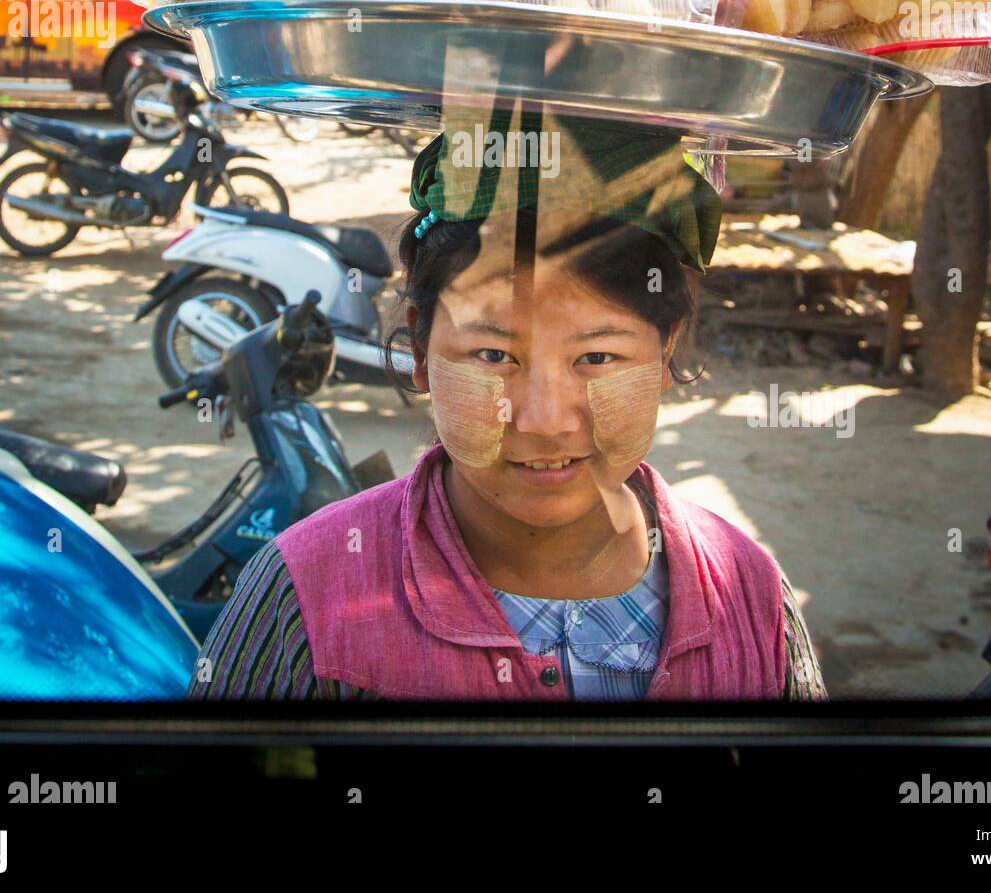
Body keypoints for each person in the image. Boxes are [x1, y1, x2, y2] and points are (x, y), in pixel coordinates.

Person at [189, 104, 826, 701]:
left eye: (597, 358)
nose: (544, 420)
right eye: (493, 357)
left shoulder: (753, 601)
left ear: (666, 354)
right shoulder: (305, 596)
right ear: (419, 345)